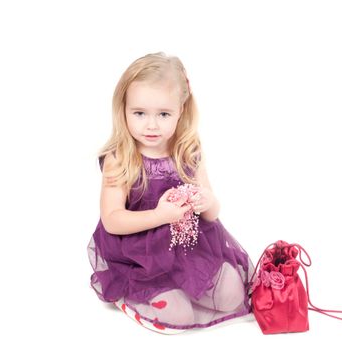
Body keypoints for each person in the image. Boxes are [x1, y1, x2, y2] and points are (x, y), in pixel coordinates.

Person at [87, 51, 255, 334]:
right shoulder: (122, 157)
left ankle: (187, 284)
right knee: (177, 315)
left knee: (233, 296)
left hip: (189, 246)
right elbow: (112, 219)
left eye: (164, 114)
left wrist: (206, 200)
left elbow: (213, 213)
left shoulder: (187, 151)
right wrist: (160, 215)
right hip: (140, 253)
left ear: (181, 111)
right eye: (139, 113)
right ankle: (135, 295)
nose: (151, 125)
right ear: (123, 109)